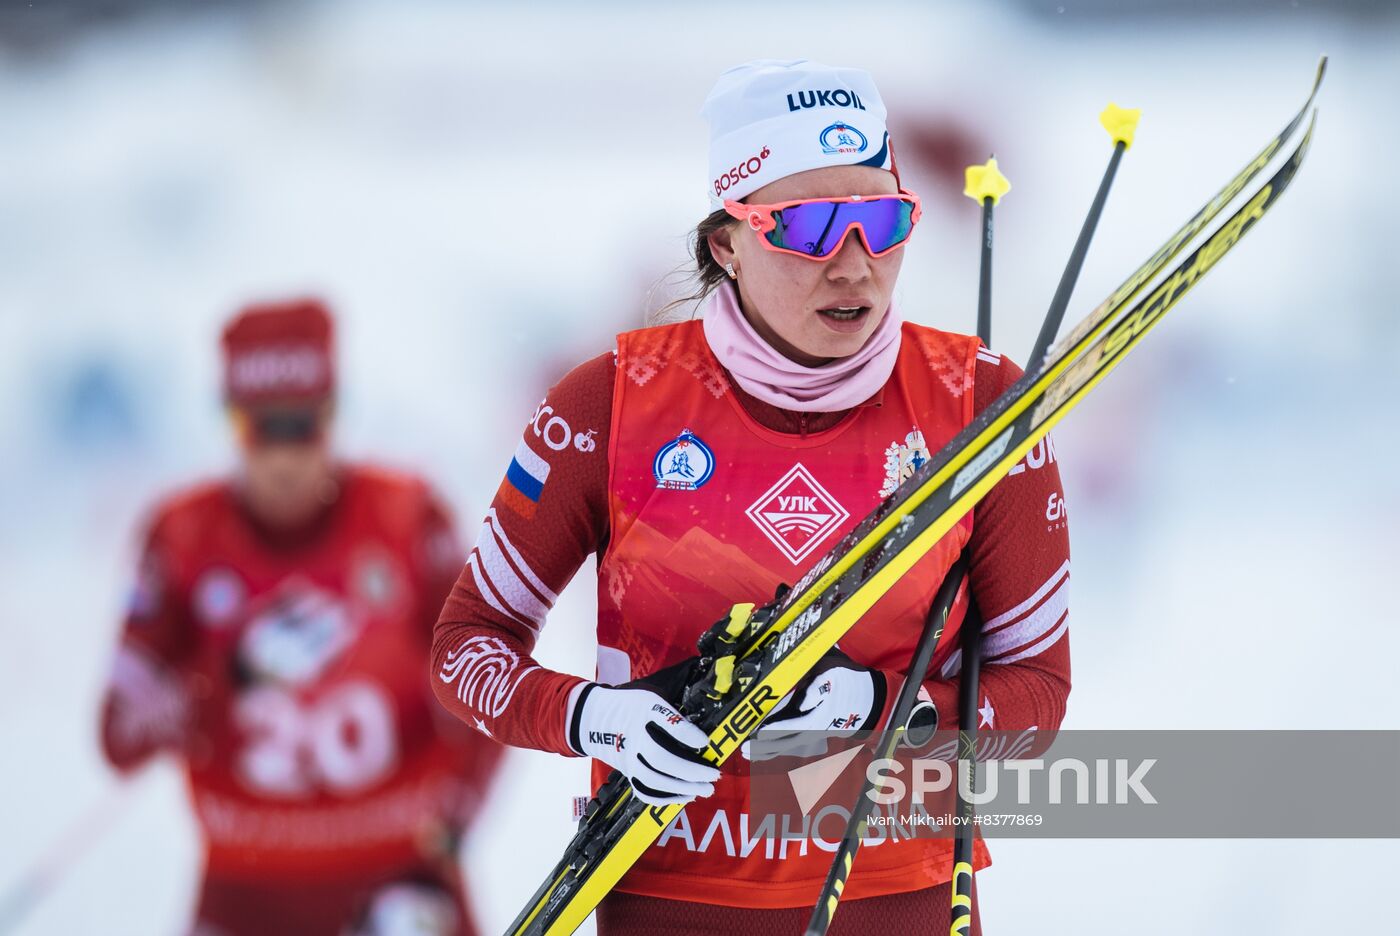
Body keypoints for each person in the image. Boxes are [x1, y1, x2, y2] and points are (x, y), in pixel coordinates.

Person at [431, 59, 1070, 934]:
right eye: (809, 229)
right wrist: (592, 718)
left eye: (882, 222)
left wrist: (891, 711)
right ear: (726, 241)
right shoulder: (608, 404)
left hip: (896, 896)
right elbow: (468, 647)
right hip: (670, 893)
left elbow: (1036, 695)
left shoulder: (979, 402)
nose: (855, 266)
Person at [101, 298, 501, 936]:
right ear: (231, 422)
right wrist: (231, 672)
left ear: (332, 414)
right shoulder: (182, 534)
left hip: (397, 883)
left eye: (302, 426)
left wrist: (447, 834)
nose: (283, 459)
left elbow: (491, 687)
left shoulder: (407, 517)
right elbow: (120, 735)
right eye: (259, 429)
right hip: (245, 896)